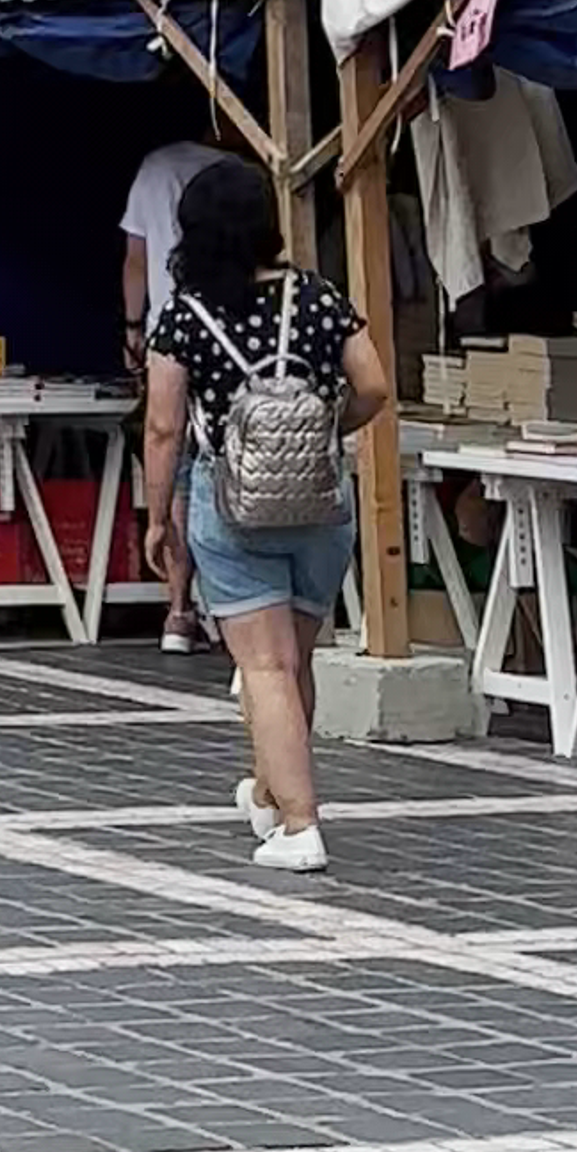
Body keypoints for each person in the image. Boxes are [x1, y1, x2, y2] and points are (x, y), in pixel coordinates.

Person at [141, 146, 387, 878]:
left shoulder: (183, 317)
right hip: (322, 502)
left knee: (266, 666)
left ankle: (302, 823)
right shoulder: (318, 296)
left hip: (233, 505)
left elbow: (162, 427)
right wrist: (322, 431)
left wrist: (159, 519)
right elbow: (373, 385)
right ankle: (273, 795)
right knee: (293, 659)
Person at [118, 129, 214, 644]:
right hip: (233, 334)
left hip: (166, 333)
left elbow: (136, 259)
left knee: (172, 458)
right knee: (226, 459)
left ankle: (178, 608)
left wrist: (134, 329)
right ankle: (228, 600)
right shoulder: (241, 174)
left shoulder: (153, 167)